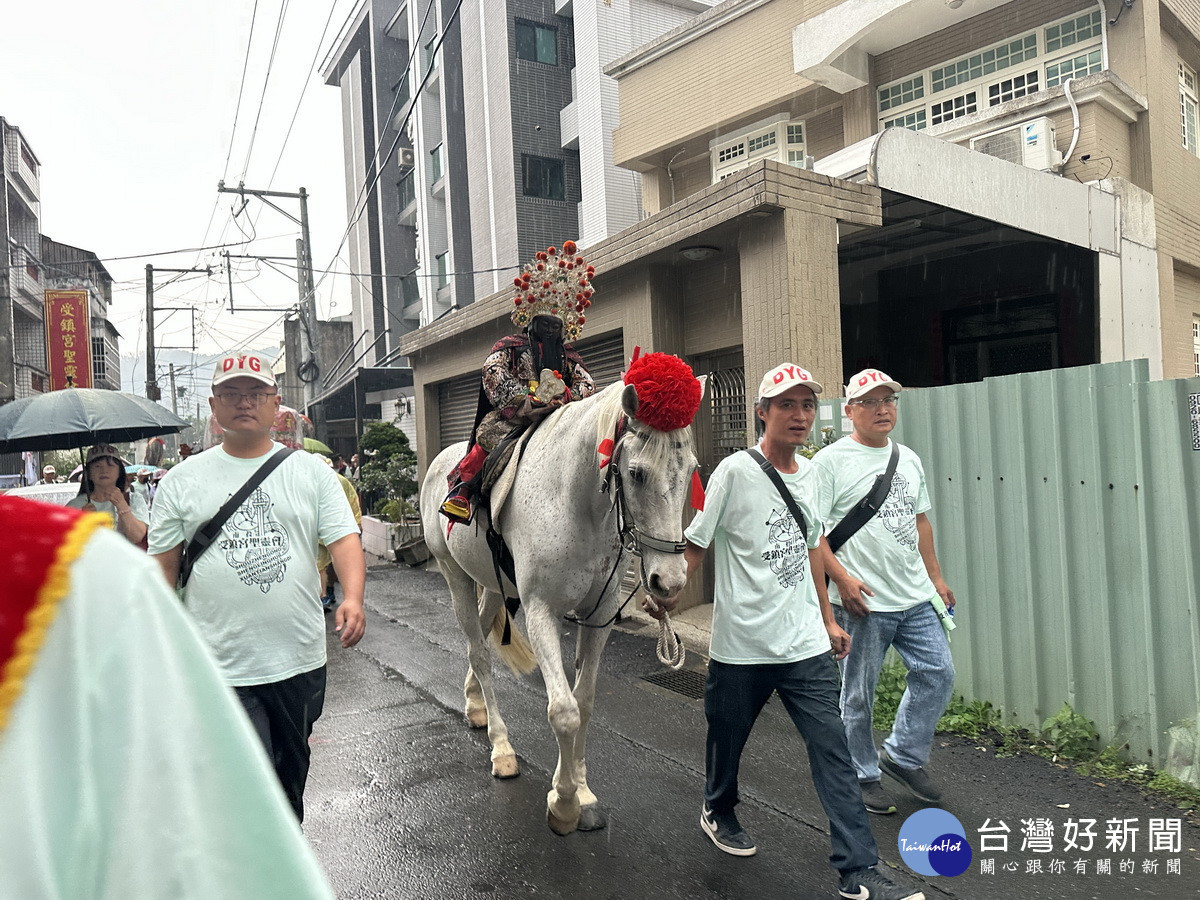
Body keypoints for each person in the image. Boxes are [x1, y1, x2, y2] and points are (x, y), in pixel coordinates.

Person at [646, 363, 924, 900]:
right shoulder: (733, 472)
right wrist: (672, 594)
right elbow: (699, 542)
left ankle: (858, 869)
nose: (798, 416)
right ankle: (717, 806)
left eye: (805, 406)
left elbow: (811, 545)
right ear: (762, 412)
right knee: (726, 741)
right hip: (742, 647)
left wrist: (825, 618)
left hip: (804, 647)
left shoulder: (814, 474)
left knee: (833, 752)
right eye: (786, 405)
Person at [0, 495, 334, 899]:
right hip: (220, 658)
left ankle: (288, 819)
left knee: (290, 753)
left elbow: (335, 540)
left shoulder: (89, 569)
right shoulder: (91, 566)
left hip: (294, 653)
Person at [149, 351, 366, 822]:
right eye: (231, 394)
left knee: (291, 774)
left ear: (275, 404)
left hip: (298, 658)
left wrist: (352, 597)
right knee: (247, 780)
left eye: (255, 394)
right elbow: (163, 568)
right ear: (213, 405)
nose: (243, 403)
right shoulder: (181, 481)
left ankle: (283, 860)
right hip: (219, 663)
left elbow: (344, 538)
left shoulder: (310, 472)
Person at [814, 369, 956, 816]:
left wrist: (936, 577)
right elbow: (813, 533)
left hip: (914, 596)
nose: (882, 409)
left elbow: (920, 521)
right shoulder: (831, 463)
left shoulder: (908, 459)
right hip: (864, 601)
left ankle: (902, 755)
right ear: (850, 410)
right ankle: (862, 772)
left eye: (888, 400)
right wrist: (840, 578)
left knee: (938, 671)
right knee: (858, 693)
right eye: (870, 401)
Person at [440, 240, 596, 523]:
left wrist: (568, 397)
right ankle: (461, 493)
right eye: (544, 324)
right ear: (531, 322)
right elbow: (492, 370)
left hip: (558, 414)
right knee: (488, 441)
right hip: (516, 416)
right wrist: (522, 399)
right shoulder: (510, 345)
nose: (549, 330)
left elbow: (587, 383)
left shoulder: (568, 355)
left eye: (555, 326)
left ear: (563, 329)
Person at [66, 444, 149, 547]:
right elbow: (67, 545)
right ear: (89, 474)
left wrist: (122, 505)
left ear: (119, 471)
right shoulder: (74, 506)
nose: (104, 470)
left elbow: (138, 536)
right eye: (97, 466)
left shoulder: (134, 499)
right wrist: (83, 522)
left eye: (110, 465)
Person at [317, 454, 363, 612]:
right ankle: (329, 592)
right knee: (331, 565)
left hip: (322, 532)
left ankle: (324, 594)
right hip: (340, 530)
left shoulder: (316, 481)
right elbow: (354, 501)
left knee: (321, 566)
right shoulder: (339, 480)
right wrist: (357, 523)